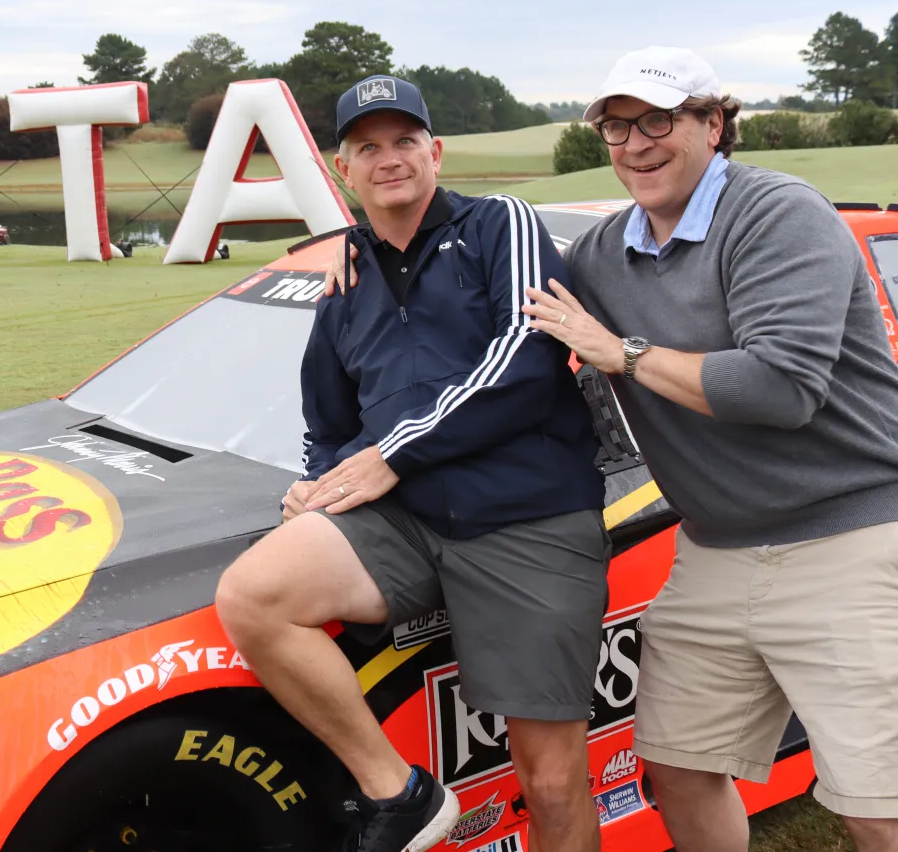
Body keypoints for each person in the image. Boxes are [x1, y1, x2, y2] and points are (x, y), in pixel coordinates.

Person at [514, 47, 898, 852]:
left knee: (877, 800)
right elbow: (503, 311)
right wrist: (369, 267)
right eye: (617, 127)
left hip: (850, 540)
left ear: (713, 124)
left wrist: (620, 350)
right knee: (679, 769)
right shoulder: (601, 252)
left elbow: (778, 387)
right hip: (715, 548)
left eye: (658, 120)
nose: (636, 143)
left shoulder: (779, 214)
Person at [216, 75, 609, 852]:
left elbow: (526, 356)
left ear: (436, 150)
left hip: (525, 519)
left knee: (553, 779)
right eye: (369, 146)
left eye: (405, 141)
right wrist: (317, 483)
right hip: (409, 518)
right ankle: (400, 792)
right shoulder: (343, 279)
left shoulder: (500, 223)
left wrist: (395, 452)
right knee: (253, 594)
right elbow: (328, 420)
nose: (389, 158)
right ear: (343, 168)